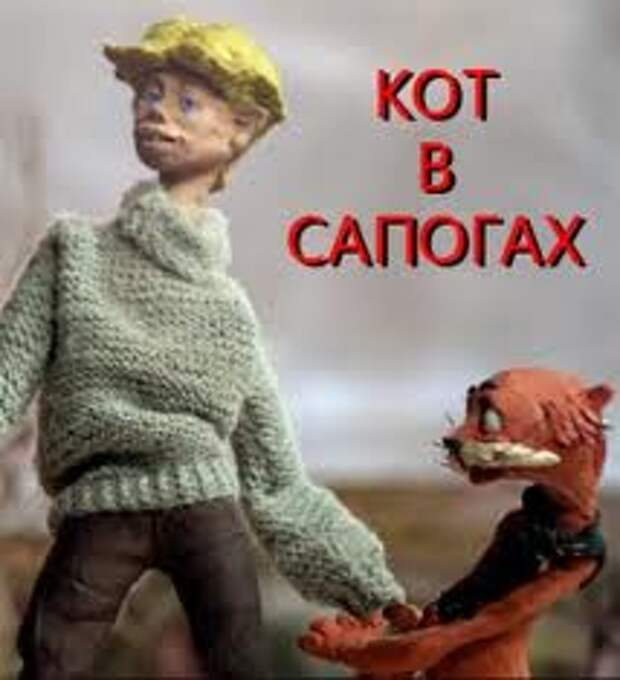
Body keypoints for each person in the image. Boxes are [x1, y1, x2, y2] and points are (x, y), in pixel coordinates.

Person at [4, 16, 408, 679]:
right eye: (148, 94)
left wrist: (374, 591)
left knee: (239, 660)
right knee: (51, 660)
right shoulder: (74, 253)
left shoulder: (229, 311)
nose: (156, 111)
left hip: (205, 506)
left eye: (187, 101)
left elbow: (276, 479)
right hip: (101, 504)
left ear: (238, 130)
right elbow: (6, 377)